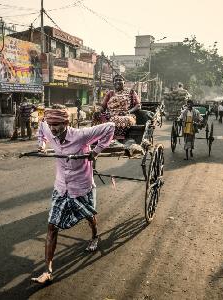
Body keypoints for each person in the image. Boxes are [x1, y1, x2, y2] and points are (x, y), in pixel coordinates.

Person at [32, 104, 115, 284]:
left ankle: (94, 235)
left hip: (81, 185)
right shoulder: (48, 128)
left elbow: (110, 127)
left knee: (89, 216)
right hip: (61, 187)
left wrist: (96, 151)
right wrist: (42, 144)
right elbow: (41, 127)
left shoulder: (81, 135)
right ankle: (47, 271)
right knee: (52, 226)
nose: (53, 129)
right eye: (51, 125)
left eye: (57, 125)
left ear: (66, 123)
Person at [94, 74, 141, 139]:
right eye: (116, 80)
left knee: (120, 120)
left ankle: (117, 138)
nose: (118, 82)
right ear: (113, 83)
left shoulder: (131, 92)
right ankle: (98, 139)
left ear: (124, 82)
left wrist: (128, 112)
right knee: (96, 117)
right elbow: (103, 106)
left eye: (120, 80)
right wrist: (98, 111)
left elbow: (138, 106)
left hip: (125, 115)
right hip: (110, 115)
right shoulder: (110, 93)